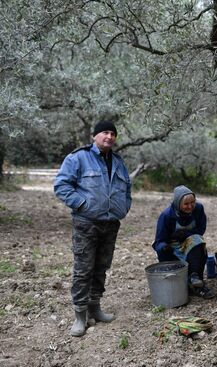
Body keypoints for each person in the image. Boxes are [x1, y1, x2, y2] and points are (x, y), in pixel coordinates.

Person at [54, 120, 132, 337]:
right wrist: (82, 205)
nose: (109, 136)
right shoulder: (78, 158)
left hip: (111, 224)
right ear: (95, 136)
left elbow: (127, 189)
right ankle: (80, 315)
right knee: (83, 269)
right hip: (86, 224)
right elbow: (61, 185)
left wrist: (123, 208)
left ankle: (95, 308)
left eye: (113, 133)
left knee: (101, 267)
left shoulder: (118, 162)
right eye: (105, 132)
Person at [152, 185, 215, 299]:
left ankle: (196, 279)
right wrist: (165, 247)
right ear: (178, 203)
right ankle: (182, 284)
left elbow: (201, 230)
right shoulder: (166, 216)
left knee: (197, 240)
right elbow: (159, 241)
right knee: (165, 253)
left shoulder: (199, 209)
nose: (190, 206)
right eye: (186, 204)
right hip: (172, 247)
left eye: (192, 202)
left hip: (190, 243)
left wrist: (185, 234)